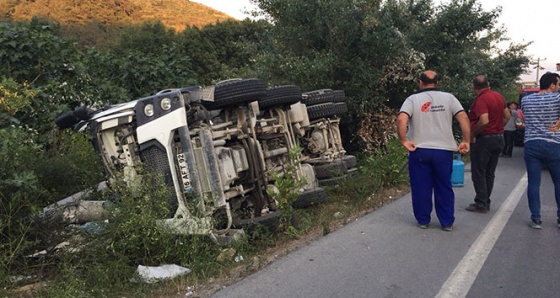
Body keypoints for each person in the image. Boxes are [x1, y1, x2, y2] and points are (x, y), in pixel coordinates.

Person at [397, 70, 470, 231]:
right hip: (443, 151)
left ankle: (423, 220)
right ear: (437, 82)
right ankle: (447, 222)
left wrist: (404, 140)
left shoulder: (412, 99)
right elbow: (463, 117)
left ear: (420, 82)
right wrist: (465, 140)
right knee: (444, 186)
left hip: (419, 150)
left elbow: (402, 118)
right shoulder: (449, 98)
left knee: (421, 186)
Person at [520, 72, 560, 229]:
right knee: (558, 182)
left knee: (534, 183)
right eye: (558, 84)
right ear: (552, 85)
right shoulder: (557, 98)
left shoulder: (526, 100)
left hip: (532, 143)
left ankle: (536, 219)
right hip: (553, 143)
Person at [466, 74, 509, 213]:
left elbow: (484, 120)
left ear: (473, 86)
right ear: (488, 84)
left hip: (484, 140)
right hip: (499, 138)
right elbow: (507, 115)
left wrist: (472, 134)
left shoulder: (481, 100)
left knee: (479, 172)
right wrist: (498, 128)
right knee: (490, 172)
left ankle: (481, 203)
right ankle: (485, 201)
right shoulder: (498, 96)